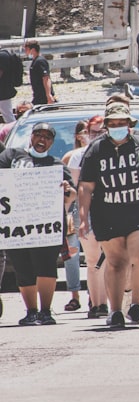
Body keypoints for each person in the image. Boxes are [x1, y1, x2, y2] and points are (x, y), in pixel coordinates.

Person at [78, 102, 139, 328]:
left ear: (130, 124)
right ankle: (116, 310)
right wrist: (83, 218)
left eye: (122, 123)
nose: (118, 126)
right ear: (107, 125)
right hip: (108, 214)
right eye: (113, 123)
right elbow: (86, 186)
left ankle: (136, 304)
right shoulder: (96, 150)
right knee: (117, 262)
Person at [4, 123, 75, 325]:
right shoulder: (11, 157)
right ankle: (31, 311)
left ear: (52, 142)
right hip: (16, 226)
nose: (41, 140)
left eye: (47, 137)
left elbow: (73, 194)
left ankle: (45, 311)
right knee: (22, 267)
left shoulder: (56, 165)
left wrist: (67, 190)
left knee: (45, 266)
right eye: (38, 135)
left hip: (46, 227)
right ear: (31, 137)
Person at [24, 40, 55, 106]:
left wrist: (48, 94)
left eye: (27, 49)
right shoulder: (35, 61)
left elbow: (46, 78)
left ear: (32, 50)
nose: (25, 51)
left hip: (43, 96)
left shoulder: (40, 61)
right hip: (38, 95)